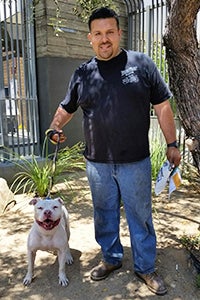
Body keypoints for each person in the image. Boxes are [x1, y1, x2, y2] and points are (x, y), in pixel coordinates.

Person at [46, 7, 181, 295]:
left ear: (119, 33)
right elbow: (67, 107)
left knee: (140, 215)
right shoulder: (82, 73)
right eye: (98, 34)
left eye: (110, 32)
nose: (104, 39)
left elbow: (163, 105)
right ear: (90, 38)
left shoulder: (141, 64)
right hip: (98, 165)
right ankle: (111, 258)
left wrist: (172, 144)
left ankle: (145, 268)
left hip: (136, 161)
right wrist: (55, 127)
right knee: (103, 214)